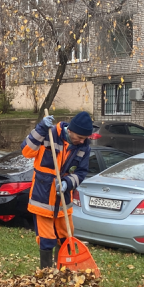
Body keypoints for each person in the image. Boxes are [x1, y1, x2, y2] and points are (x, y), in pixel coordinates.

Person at [21, 111, 93, 269]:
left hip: (63, 200)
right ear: (71, 130)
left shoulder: (84, 147)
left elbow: (81, 173)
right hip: (42, 197)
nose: (81, 141)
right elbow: (26, 151)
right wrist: (40, 129)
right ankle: (45, 274)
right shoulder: (49, 134)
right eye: (79, 137)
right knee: (46, 239)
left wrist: (68, 182)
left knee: (66, 237)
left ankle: (62, 271)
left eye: (84, 138)